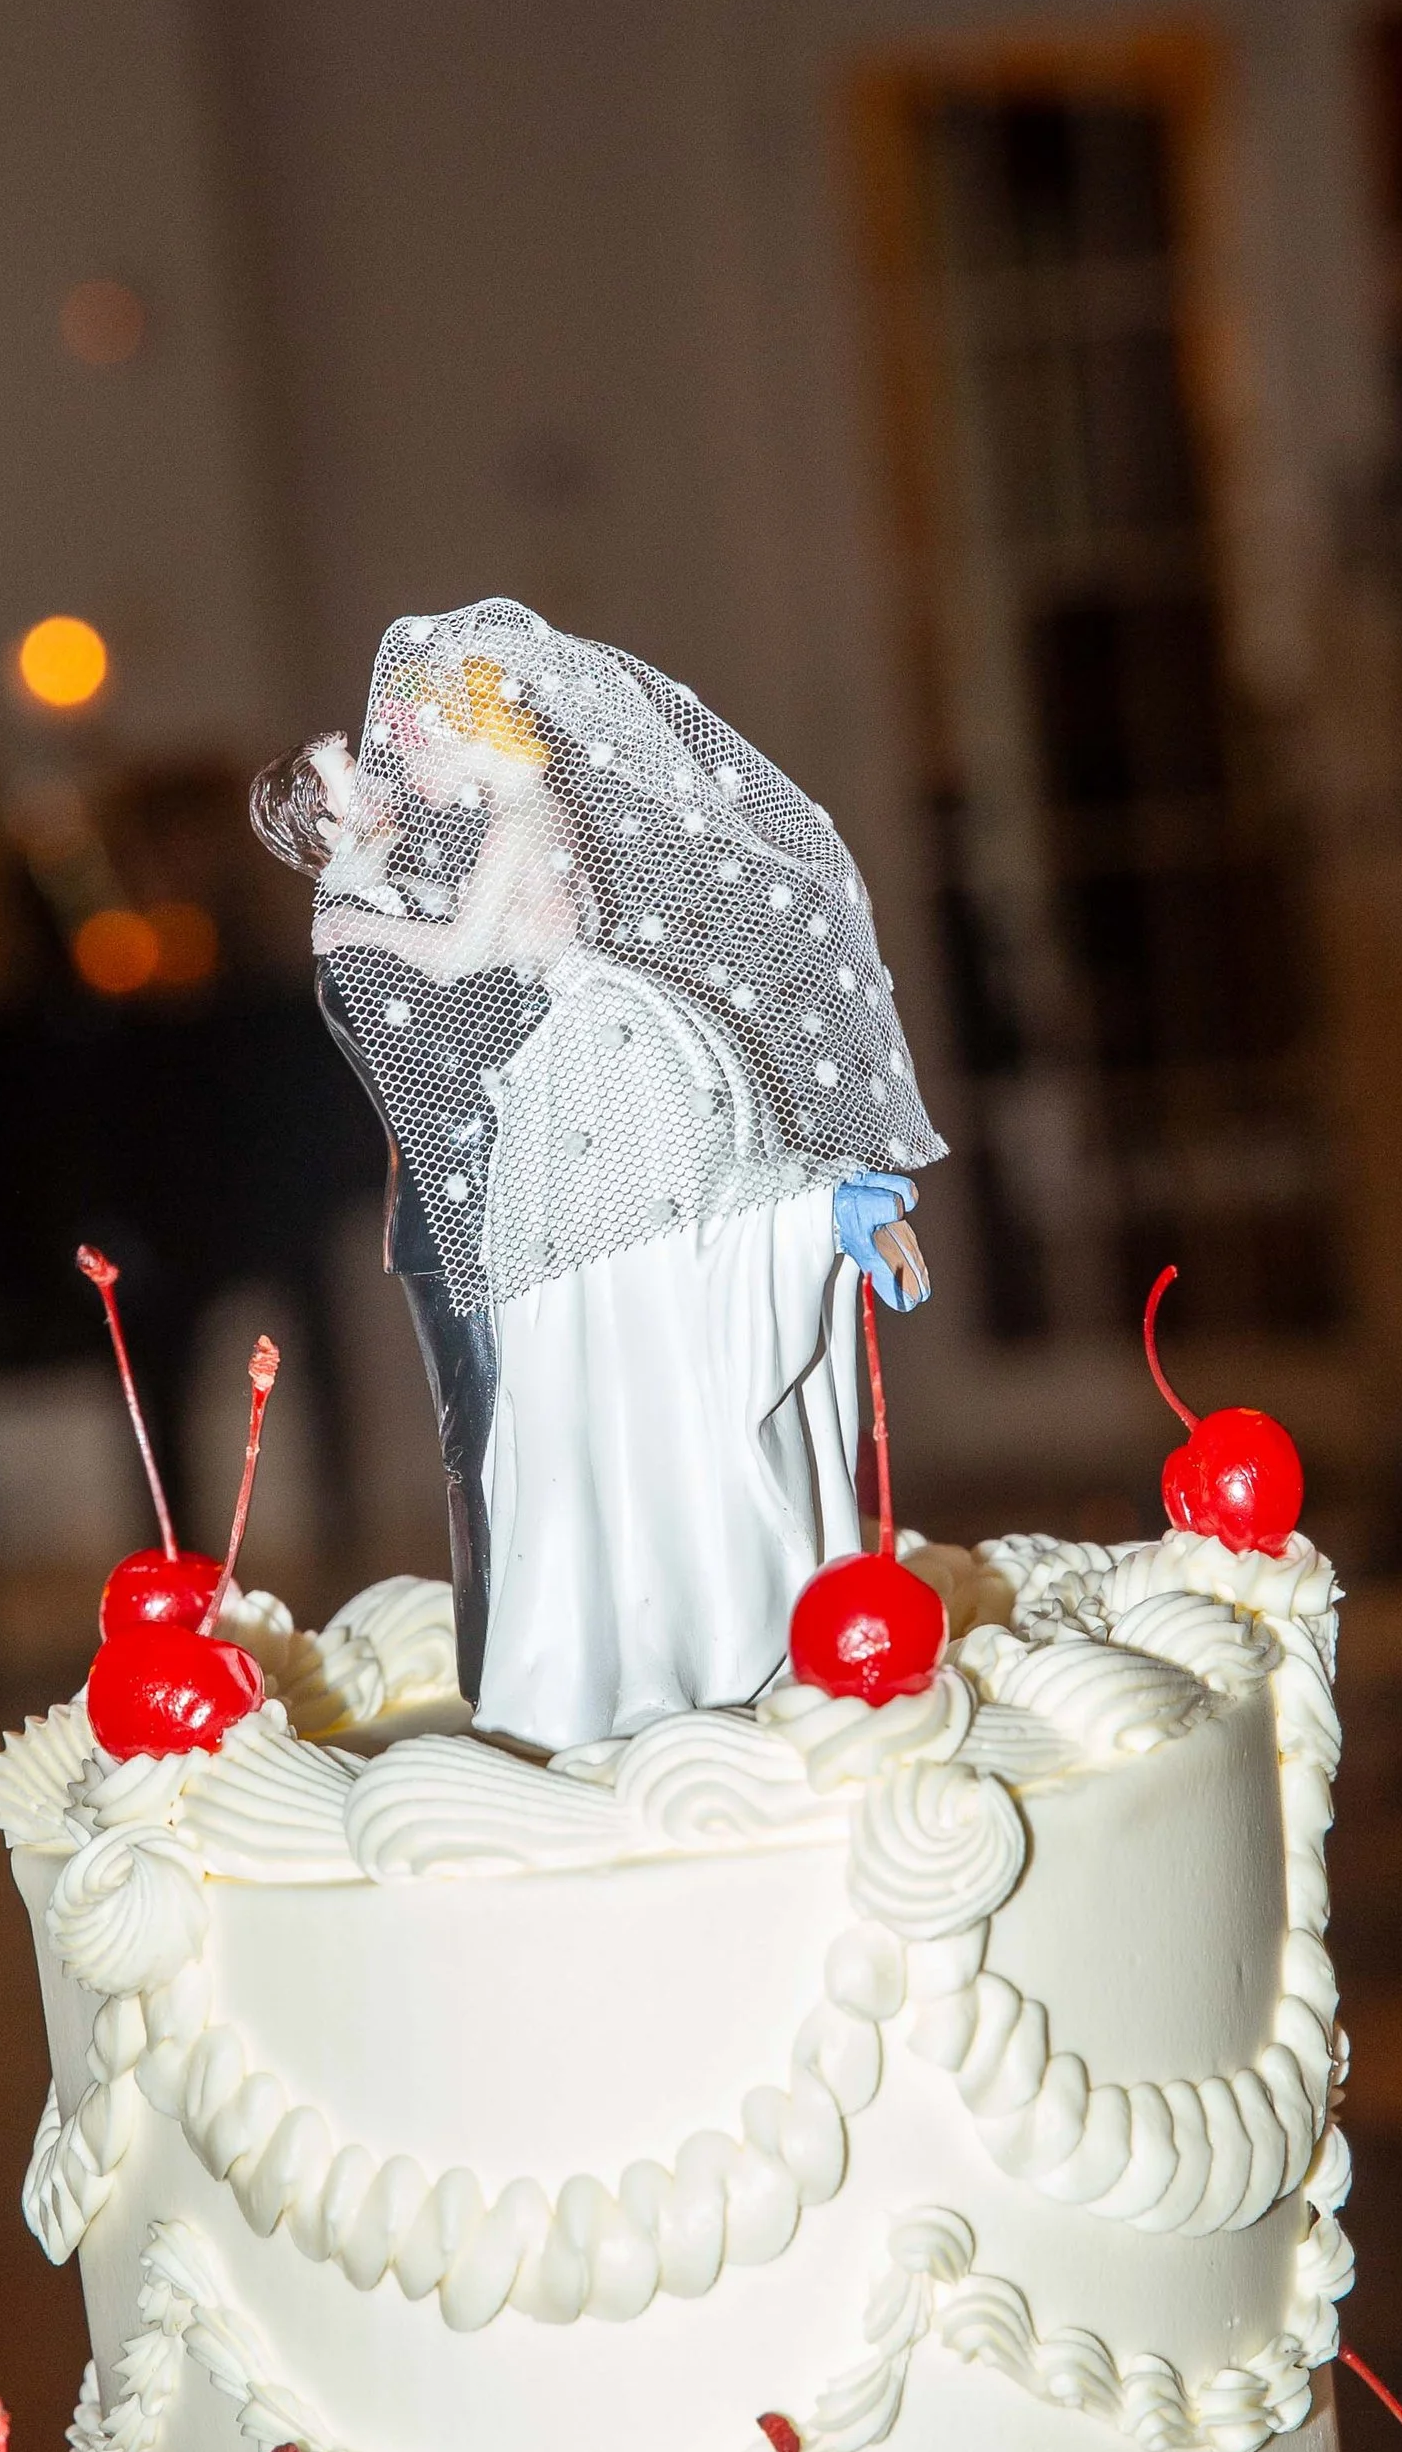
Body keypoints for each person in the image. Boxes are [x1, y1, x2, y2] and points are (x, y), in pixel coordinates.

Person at [250, 599, 940, 1750]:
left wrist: (355, 931)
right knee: (576, 1352)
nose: (393, 779)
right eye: (359, 777)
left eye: (400, 752)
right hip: (560, 1086)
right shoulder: (442, 857)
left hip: (591, 1065)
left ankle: (661, 1620)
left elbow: (469, 961)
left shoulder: (494, 834)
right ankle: (621, 1618)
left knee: (623, 1306)